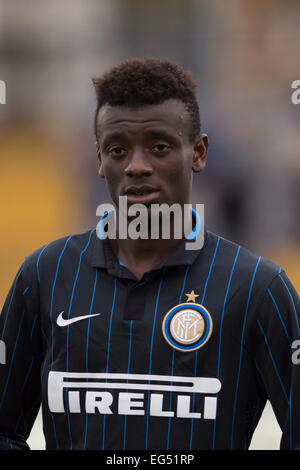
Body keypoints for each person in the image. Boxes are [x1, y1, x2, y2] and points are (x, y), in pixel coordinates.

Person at [0, 58, 299, 451]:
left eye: (159, 147)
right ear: (98, 160)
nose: (137, 167)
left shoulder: (256, 287)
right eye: (118, 150)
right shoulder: (44, 276)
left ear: (198, 152)